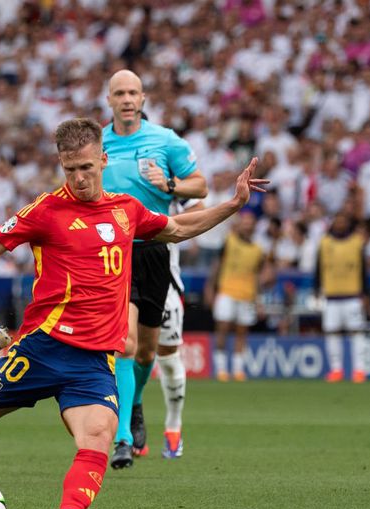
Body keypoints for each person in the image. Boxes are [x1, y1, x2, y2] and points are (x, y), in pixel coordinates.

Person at [0, 118, 266, 509]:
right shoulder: (45, 211)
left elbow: (179, 228)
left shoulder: (126, 209)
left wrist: (233, 204)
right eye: (70, 169)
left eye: (87, 168)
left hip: (93, 360)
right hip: (41, 349)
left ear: (103, 160)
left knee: (98, 436)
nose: (78, 178)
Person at [101, 69, 208, 468]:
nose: (127, 99)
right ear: (109, 100)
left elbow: (201, 186)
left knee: (147, 351)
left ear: (143, 98)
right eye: (119, 93)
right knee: (125, 344)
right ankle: (124, 438)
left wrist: (170, 186)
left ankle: (137, 400)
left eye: (133, 92)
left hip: (156, 251)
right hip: (114, 253)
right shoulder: (98, 143)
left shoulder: (164, 140)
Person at [155, 198, 203, 459]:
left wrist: (169, 188)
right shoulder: (109, 173)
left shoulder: (165, 170)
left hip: (165, 284)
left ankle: (173, 426)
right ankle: (126, 431)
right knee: (120, 354)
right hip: (120, 280)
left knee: (168, 357)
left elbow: (199, 207)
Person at [205, 210, 265, 382]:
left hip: (247, 294)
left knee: (241, 332)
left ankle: (238, 370)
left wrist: (258, 300)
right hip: (227, 292)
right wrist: (210, 288)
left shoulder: (258, 250)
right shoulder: (229, 242)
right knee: (222, 329)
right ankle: (221, 369)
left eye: (250, 222)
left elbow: (257, 276)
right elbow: (217, 266)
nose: (247, 225)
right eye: (244, 221)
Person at [315, 213, 368, 383]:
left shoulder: (356, 242)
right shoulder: (324, 242)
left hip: (352, 295)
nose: (340, 224)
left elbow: (364, 270)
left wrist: (366, 293)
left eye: (343, 221)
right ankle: (336, 369)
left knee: (357, 332)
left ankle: (359, 370)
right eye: (337, 221)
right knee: (332, 332)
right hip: (331, 295)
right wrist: (316, 289)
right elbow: (318, 268)